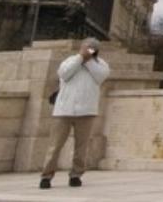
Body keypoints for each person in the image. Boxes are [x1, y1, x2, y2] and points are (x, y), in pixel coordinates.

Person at [39, 37, 111, 189]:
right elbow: (64, 74)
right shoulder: (70, 61)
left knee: (81, 147)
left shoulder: (101, 64)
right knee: (55, 146)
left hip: (86, 111)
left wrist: (89, 60)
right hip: (64, 110)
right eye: (86, 47)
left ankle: (76, 175)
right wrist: (80, 57)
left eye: (92, 48)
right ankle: (46, 176)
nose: (88, 50)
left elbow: (100, 77)